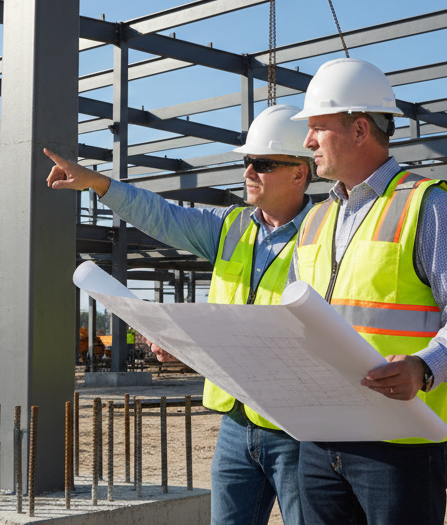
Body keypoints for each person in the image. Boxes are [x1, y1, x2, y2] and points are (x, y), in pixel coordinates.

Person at [44, 104, 316, 525]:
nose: (248, 172)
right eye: (247, 161)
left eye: (263, 164)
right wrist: (98, 183)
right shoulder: (230, 227)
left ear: (299, 173)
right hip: (236, 422)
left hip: (296, 426)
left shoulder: (326, 232)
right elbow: (163, 216)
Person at [288, 57, 447, 525]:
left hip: (399, 444)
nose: (307, 141)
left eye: (317, 127)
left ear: (360, 129)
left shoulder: (428, 204)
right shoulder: (316, 218)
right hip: (320, 440)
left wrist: (425, 367)